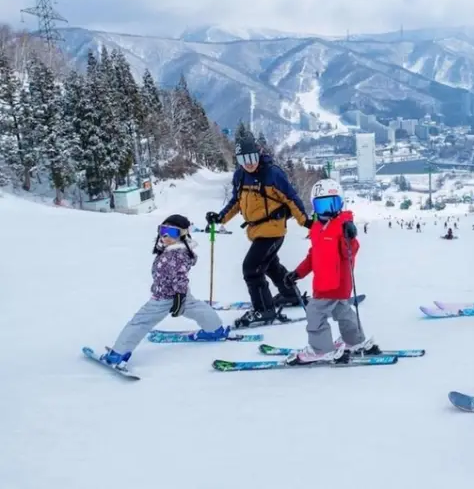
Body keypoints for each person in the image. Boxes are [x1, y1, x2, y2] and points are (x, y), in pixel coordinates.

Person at [206, 136, 311, 328]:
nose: (249, 163)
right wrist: (220, 218)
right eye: (243, 159)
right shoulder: (240, 176)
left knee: (251, 268)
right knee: (270, 265)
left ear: (259, 154)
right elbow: (236, 202)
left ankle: (264, 309)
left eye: (252, 157)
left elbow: (291, 198)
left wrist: (305, 221)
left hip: (273, 229)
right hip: (256, 230)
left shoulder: (272, 174)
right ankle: (290, 294)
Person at [99, 215, 228, 370]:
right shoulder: (174, 250)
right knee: (196, 308)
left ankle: (118, 355)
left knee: (140, 322)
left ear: (182, 234)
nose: (165, 236)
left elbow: (180, 277)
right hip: (174, 293)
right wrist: (181, 296)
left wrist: (179, 297)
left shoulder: (177, 254)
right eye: (162, 230)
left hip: (164, 297)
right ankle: (215, 329)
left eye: (171, 232)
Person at [283, 179, 378, 364]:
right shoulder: (317, 228)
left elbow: (350, 251)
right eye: (321, 206)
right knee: (343, 312)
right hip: (335, 284)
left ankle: (321, 349)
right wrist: (298, 273)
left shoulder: (342, 226)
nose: (327, 211)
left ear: (340, 204)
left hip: (331, 284)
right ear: (314, 206)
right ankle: (354, 340)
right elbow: (314, 255)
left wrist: (350, 236)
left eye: (331, 205)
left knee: (315, 313)